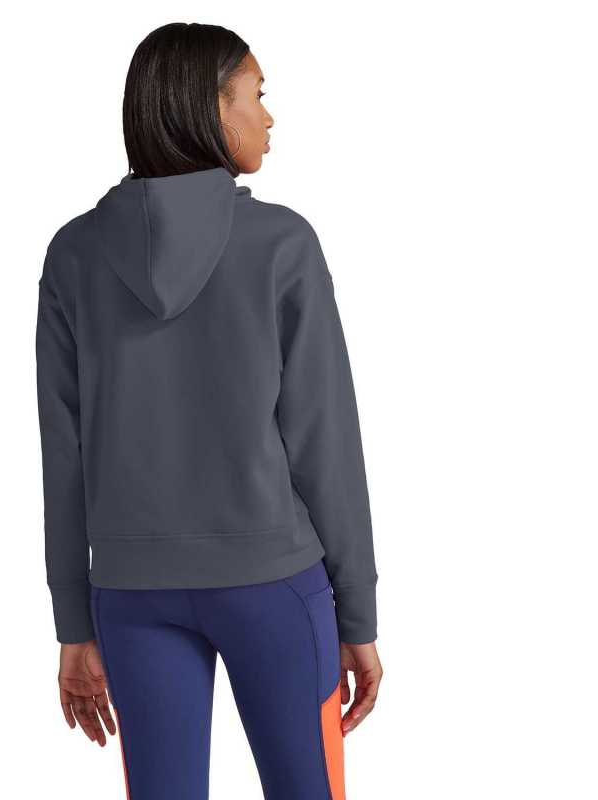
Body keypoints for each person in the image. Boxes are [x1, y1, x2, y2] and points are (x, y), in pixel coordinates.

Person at [35, 21, 382, 800]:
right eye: (256, 94)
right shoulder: (283, 244)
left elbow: (65, 454)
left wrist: (73, 622)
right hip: (275, 586)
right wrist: (358, 617)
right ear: (212, 106)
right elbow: (325, 442)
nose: (268, 115)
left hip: (129, 593)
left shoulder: (73, 254)